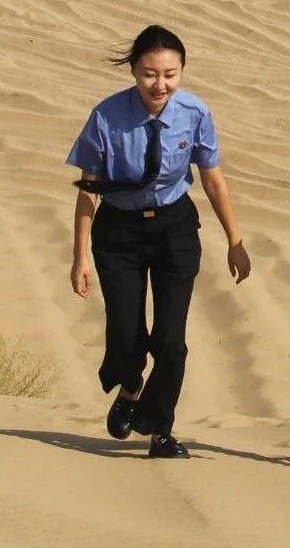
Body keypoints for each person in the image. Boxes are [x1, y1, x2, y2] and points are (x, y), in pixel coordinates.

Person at [67, 25, 251, 458]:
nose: (160, 84)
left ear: (182, 72)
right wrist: (79, 257)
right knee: (126, 337)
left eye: (170, 74)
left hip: (174, 228)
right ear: (133, 71)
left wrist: (235, 239)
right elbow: (88, 190)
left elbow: (212, 179)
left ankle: (159, 429)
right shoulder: (107, 117)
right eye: (150, 73)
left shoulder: (195, 112)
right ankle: (130, 387)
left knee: (172, 340)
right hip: (120, 233)